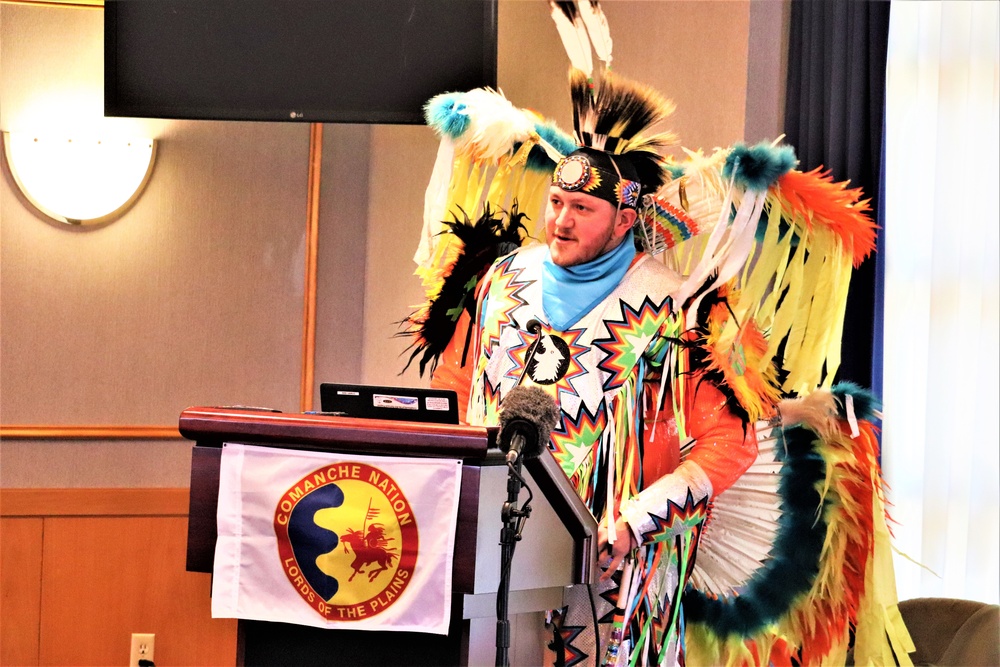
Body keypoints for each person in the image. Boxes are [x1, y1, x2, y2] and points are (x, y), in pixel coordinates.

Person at [464, 73, 758, 665]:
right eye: (556, 203)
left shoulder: (680, 308)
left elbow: (731, 443)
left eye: (582, 209)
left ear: (625, 221)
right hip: (497, 549)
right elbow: (465, 391)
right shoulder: (504, 280)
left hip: (615, 569)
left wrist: (636, 521)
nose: (560, 222)